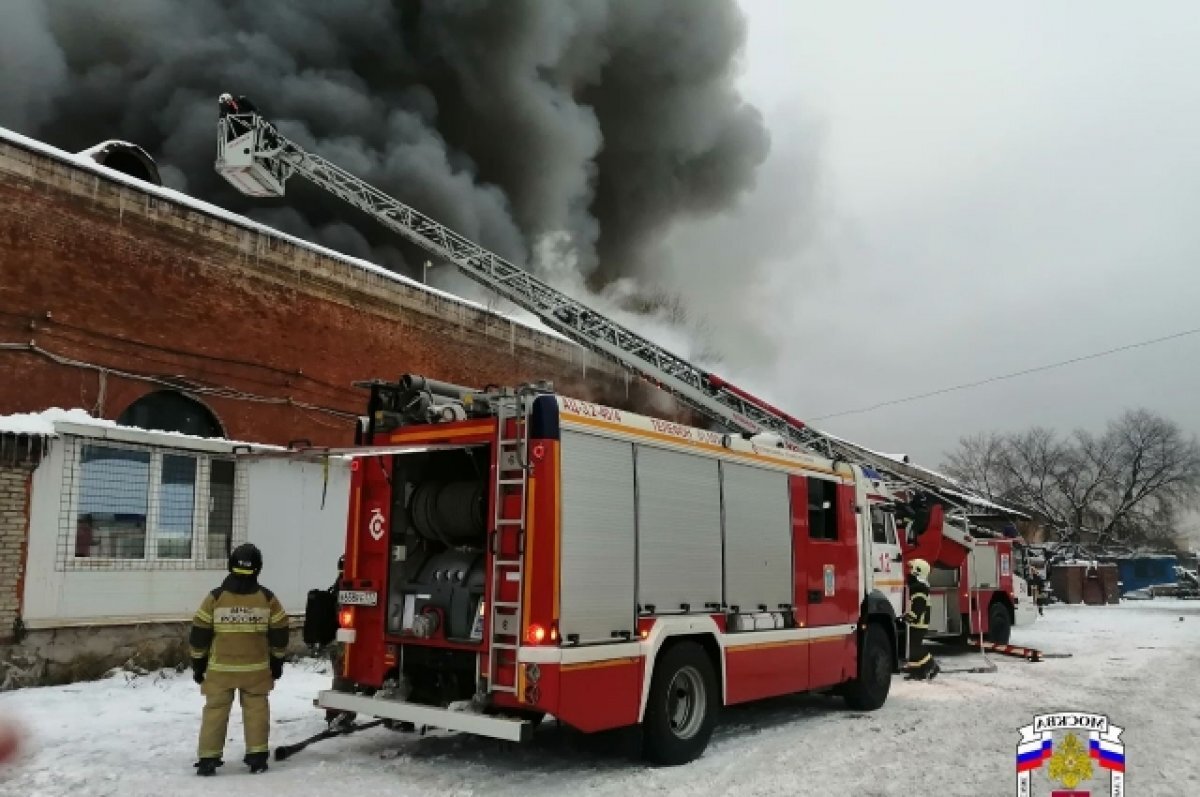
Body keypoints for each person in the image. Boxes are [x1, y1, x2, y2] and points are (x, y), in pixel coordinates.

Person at [189, 543, 290, 776]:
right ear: (258, 568)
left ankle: (208, 759)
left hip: (220, 671)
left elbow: (199, 634)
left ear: (231, 565)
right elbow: (280, 633)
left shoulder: (215, 598)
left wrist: (198, 664)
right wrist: (276, 662)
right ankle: (257, 757)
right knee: (257, 709)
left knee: (215, 710)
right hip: (256, 671)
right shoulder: (268, 598)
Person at [903, 558, 940, 681]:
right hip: (917, 622)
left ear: (917, 571)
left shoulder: (920, 589)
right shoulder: (917, 587)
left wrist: (911, 617)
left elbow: (919, 606)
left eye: (911, 568)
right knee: (911, 647)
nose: (908, 571)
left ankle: (931, 665)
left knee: (915, 646)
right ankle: (917, 672)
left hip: (919, 623)